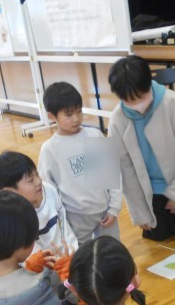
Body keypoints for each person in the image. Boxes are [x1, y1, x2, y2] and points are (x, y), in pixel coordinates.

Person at [108, 55, 175, 241]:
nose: (137, 105)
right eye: (129, 101)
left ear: (149, 85)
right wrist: (139, 213)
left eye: (140, 97)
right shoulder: (117, 119)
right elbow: (125, 170)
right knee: (157, 235)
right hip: (150, 190)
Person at [38, 81, 122, 243]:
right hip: (75, 216)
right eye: (68, 114)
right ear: (51, 116)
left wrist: (114, 208)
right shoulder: (49, 149)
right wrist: (60, 220)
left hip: (105, 209)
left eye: (79, 111)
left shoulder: (95, 135)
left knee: (112, 248)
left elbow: (113, 173)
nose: (76, 118)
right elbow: (48, 188)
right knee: (80, 252)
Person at [0, 150, 78, 253]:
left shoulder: (49, 190)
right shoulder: (11, 219)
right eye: (30, 180)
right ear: (10, 192)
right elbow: (31, 254)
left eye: (37, 174)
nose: (39, 181)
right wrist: (55, 261)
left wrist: (72, 250)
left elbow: (64, 224)